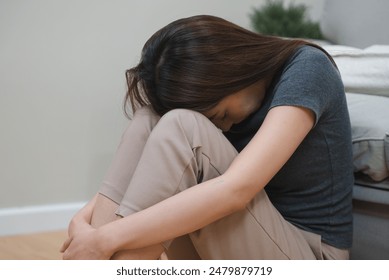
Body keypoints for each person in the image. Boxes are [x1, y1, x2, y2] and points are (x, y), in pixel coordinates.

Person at [60, 15, 354, 260]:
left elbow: (237, 189)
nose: (223, 128)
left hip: (309, 255)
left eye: (219, 114)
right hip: (244, 238)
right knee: (148, 119)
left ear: (229, 71)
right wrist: (87, 221)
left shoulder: (308, 69)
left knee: (181, 124)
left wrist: (105, 239)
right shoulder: (231, 98)